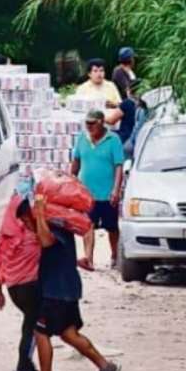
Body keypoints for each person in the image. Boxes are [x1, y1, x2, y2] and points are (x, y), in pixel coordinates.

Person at [19, 195, 121, 371]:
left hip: (56, 292)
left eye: (24, 221)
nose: (25, 226)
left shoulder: (53, 223)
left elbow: (47, 242)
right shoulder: (57, 222)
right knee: (68, 334)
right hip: (66, 288)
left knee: (40, 332)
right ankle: (105, 367)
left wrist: (38, 215)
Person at [0, 188, 42, 371]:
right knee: (33, 327)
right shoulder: (31, 237)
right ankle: (22, 369)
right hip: (30, 286)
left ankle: (27, 364)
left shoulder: (4, 236)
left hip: (13, 289)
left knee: (29, 325)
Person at [70, 110, 125, 269]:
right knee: (88, 225)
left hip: (107, 193)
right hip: (87, 193)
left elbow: (118, 166)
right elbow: (76, 162)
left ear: (102, 122)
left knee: (112, 227)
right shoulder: (82, 139)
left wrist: (116, 190)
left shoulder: (113, 139)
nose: (89, 126)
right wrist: (70, 179)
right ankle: (89, 259)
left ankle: (115, 256)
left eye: (93, 123)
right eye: (87, 123)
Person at [110, 47, 139, 148]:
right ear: (130, 59)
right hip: (123, 105)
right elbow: (128, 90)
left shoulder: (130, 72)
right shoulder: (119, 71)